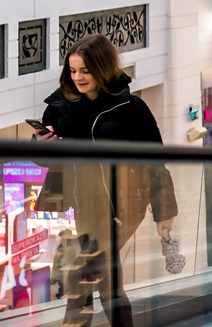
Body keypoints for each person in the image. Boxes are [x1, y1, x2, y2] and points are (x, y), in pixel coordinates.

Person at [35, 34, 177, 326]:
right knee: (103, 278)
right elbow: (49, 161)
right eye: (73, 71)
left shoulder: (131, 109)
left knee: (89, 272)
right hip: (82, 205)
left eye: (85, 71)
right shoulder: (60, 107)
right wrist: (42, 144)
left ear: (102, 68)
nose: (78, 77)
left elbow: (155, 161)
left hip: (123, 203)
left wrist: (164, 212)